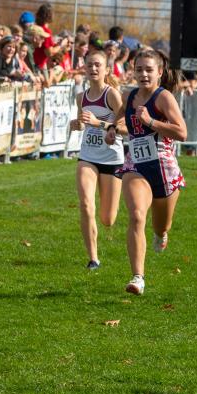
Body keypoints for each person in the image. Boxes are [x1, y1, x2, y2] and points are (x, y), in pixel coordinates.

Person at [105, 49, 186, 296]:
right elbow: (118, 121)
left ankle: (161, 234)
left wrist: (151, 122)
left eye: (149, 70)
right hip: (136, 165)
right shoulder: (129, 96)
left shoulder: (164, 98)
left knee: (161, 226)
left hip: (164, 167)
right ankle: (138, 277)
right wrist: (111, 129)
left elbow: (181, 132)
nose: (143, 74)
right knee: (137, 215)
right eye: (139, 69)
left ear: (160, 73)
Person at [71, 50, 125, 269]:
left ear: (106, 70)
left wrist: (98, 123)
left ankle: (104, 226)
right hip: (88, 157)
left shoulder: (111, 95)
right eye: (89, 65)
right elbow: (84, 122)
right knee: (85, 204)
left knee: (108, 219)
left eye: (97, 65)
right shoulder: (80, 97)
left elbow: (123, 128)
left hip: (112, 159)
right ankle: (93, 258)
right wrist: (78, 124)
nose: (93, 69)